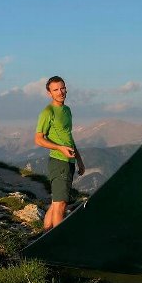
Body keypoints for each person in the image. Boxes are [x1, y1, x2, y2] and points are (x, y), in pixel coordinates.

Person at [34, 76, 85, 230]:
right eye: (55, 90)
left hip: (68, 162)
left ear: (66, 89)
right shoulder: (47, 112)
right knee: (61, 205)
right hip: (58, 162)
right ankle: (58, 243)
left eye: (62, 88)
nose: (60, 92)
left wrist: (79, 160)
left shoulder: (67, 110)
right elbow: (38, 139)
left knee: (56, 203)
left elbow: (68, 137)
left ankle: (46, 234)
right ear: (49, 93)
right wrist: (60, 148)